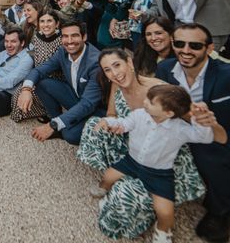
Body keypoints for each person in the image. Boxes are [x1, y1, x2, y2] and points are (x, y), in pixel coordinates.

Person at [78, 48, 207, 240]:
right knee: (93, 126)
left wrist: (200, 115)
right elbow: (112, 114)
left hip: (162, 156)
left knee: (162, 208)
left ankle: (163, 230)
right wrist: (112, 124)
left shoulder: (159, 90)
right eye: (107, 70)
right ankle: (111, 183)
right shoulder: (116, 84)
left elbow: (189, 122)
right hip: (133, 145)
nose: (114, 74)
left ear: (129, 62)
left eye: (117, 65)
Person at [94, 85, 224, 243]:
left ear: (169, 113)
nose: (145, 101)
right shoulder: (139, 114)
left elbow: (205, 137)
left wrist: (198, 119)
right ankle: (103, 193)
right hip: (131, 161)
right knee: (108, 176)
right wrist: (109, 122)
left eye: (150, 101)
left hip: (159, 173)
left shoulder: (181, 129)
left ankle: (163, 231)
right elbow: (125, 123)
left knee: (166, 212)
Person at [155, 23, 230, 242]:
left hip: (220, 133)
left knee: (212, 155)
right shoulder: (165, 69)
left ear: (209, 49)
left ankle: (221, 211)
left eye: (195, 45)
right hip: (179, 129)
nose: (185, 50)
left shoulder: (226, 76)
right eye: (179, 43)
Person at [18, 21, 103, 144]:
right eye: (65, 36)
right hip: (78, 97)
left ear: (84, 37)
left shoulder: (95, 62)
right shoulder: (62, 52)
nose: (69, 41)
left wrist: (52, 125)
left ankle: (60, 125)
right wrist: (26, 89)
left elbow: (88, 103)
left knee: (70, 135)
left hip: (96, 108)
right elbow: (39, 70)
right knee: (41, 82)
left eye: (74, 35)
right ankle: (58, 122)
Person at [10, 10, 62, 123]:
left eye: (49, 21)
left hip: (56, 78)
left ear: (57, 24)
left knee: (36, 90)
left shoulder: (62, 40)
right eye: (42, 21)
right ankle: (39, 110)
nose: (46, 24)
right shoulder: (37, 37)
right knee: (18, 94)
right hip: (38, 73)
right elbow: (36, 57)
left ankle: (50, 112)